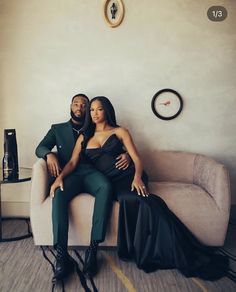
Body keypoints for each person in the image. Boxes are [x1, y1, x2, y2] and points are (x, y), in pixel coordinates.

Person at [50, 96, 229, 280]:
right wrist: (59, 178)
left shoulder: (120, 131)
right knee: (130, 200)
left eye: (100, 109)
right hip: (109, 181)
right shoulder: (84, 136)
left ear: (107, 111)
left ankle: (174, 245)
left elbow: (136, 158)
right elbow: (72, 162)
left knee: (146, 202)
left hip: (128, 176)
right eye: (93, 110)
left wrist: (137, 178)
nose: (95, 113)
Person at [35, 93, 130, 281]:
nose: (80, 107)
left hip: (92, 172)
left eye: (85, 105)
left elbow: (113, 143)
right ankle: (62, 257)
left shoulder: (95, 127)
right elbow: (40, 147)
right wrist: (49, 155)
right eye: (76, 104)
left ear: (90, 109)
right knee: (59, 193)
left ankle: (92, 250)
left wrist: (126, 154)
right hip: (70, 174)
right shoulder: (57, 129)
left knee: (105, 187)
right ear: (70, 106)